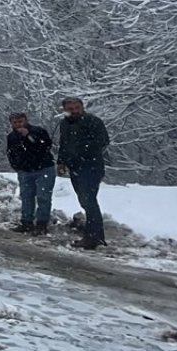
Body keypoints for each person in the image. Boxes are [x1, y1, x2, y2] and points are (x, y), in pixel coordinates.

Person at [56, 97, 110, 249]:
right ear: (65, 110)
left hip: (91, 166)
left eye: (76, 108)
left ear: (82, 107)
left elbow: (103, 141)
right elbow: (64, 143)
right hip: (75, 167)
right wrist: (61, 161)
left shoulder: (93, 121)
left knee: (89, 200)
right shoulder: (65, 124)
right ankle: (93, 234)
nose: (74, 111)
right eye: (70, 109)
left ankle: (95, 237)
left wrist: (83, 149)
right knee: (84, 200)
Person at [6, 113, 56, 235]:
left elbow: (46, 146)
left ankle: (41, 224)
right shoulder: (12, 137)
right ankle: (26, 222)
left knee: (43, 196)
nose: (18, 124)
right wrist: (17, 166)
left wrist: (29, 136)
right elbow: (10, 152)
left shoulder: (38, 131)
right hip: (25, 171)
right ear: (11, 123)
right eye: (15, 122)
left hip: (44, 169)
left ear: (26, 121)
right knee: (26, 197)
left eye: (21, 121)